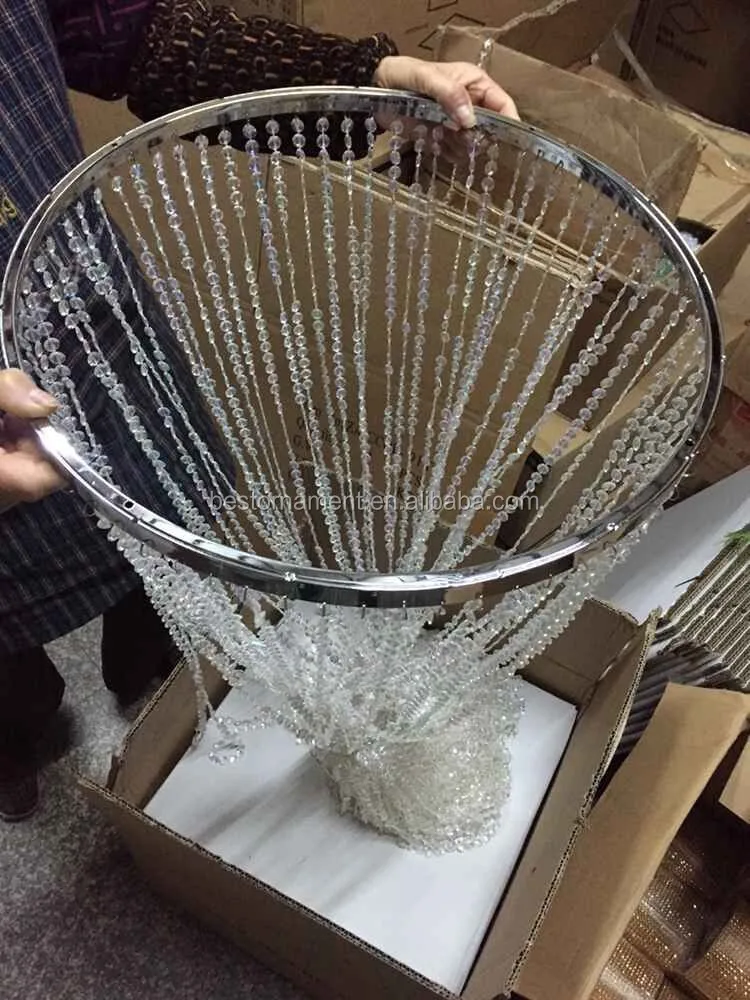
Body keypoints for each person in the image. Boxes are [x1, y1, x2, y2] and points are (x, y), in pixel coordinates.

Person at [0, 0, 517, 822]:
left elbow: (133, 33)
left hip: (84, 305)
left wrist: (364, 80)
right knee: (8, 658)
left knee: (165, 532)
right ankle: (19, 740)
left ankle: (158, 686)